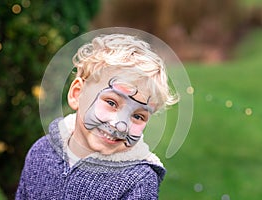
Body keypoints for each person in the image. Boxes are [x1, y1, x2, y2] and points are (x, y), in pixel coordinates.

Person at [16, 33, 178, 199]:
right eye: (112, 103)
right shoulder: (41, 152)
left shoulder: (138, 182)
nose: (120, 125)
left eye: (138, 116)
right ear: (77, 94)